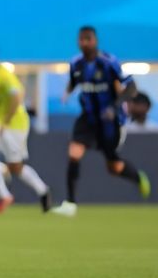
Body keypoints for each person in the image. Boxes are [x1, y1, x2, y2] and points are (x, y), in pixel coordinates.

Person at [52, 27, 150, 217]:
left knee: (113, 167)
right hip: (88, 118)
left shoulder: (108, 62)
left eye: (88, 39)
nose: (85, 43)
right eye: (81, 39)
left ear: (95, 41)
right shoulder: (76, 63)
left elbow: (131, 87)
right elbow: (74, 80)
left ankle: (138, 177)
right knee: (74, 153)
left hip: (110, 121)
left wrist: (115, 106)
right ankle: (70, 204)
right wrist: (67, 92)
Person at [0, 39, 51, 214]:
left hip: (15, 124)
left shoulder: (4, 74)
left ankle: (43, 191)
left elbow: (17, 98)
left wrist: (6, 121)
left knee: (16, 167)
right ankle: (4, 194)